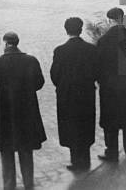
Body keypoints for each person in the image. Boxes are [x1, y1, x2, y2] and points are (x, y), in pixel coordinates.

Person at [0, 32, 46, 190]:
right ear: (17, 43)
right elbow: (39, 83)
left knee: (6, 153)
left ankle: (9, 186)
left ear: (5, 44)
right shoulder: (31, 61)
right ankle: (28, 184)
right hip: (26, 113)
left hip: (5, 115)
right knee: (26, 151)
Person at [50, 17, 98, 171]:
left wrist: (63, 85)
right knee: (85, 124)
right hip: (86, 94)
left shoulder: (60, 51)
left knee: (71, 126)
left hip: (67, 95)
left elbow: (54, 74)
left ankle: (75, 160)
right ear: (81, 29)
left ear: (66, 30)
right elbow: (96, 72)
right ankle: (86, 158)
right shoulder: (90, 49)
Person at [95, 7, 126, 162]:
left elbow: (98, 65)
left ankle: (111, 152)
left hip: (109, 85)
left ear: (110, 20)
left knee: (110, 120)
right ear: (122, 18)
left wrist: (101, 80)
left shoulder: (103, 40)